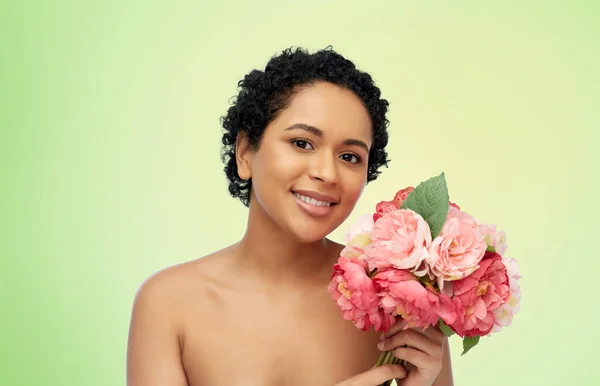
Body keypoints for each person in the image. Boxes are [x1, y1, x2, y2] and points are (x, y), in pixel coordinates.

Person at [126, 46, 454, 386]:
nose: (327, 173)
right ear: (245, 153)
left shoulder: (397, 301)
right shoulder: (168, 304)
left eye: (349, 156)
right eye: (302, 143)